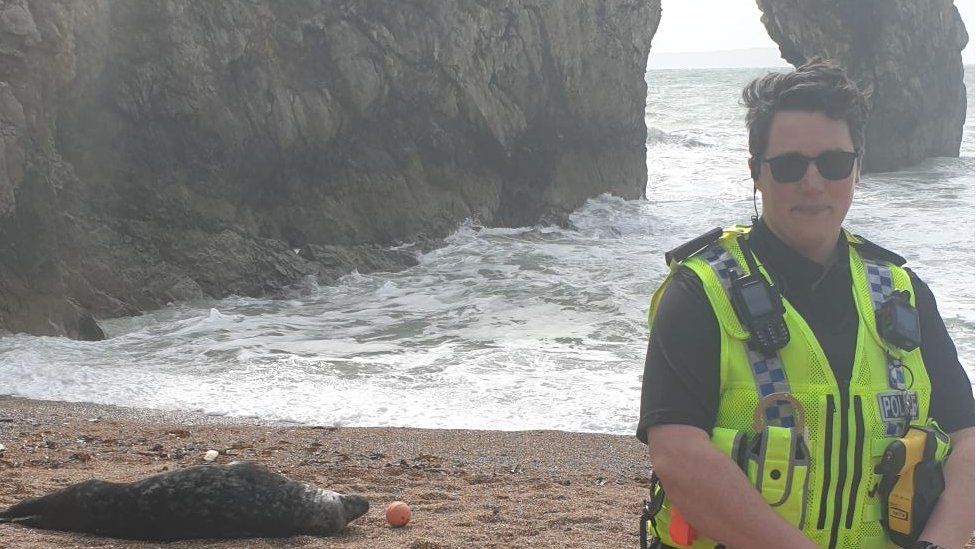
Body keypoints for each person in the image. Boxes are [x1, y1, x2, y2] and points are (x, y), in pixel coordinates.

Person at [636, 59, 975, 549]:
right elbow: (677, 453)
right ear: (755, 173)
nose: (813, 183)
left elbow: (967, 439)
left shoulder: (903, 293)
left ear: (857, 168)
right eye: (789, 165)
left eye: (834, 163)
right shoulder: (700, 292)